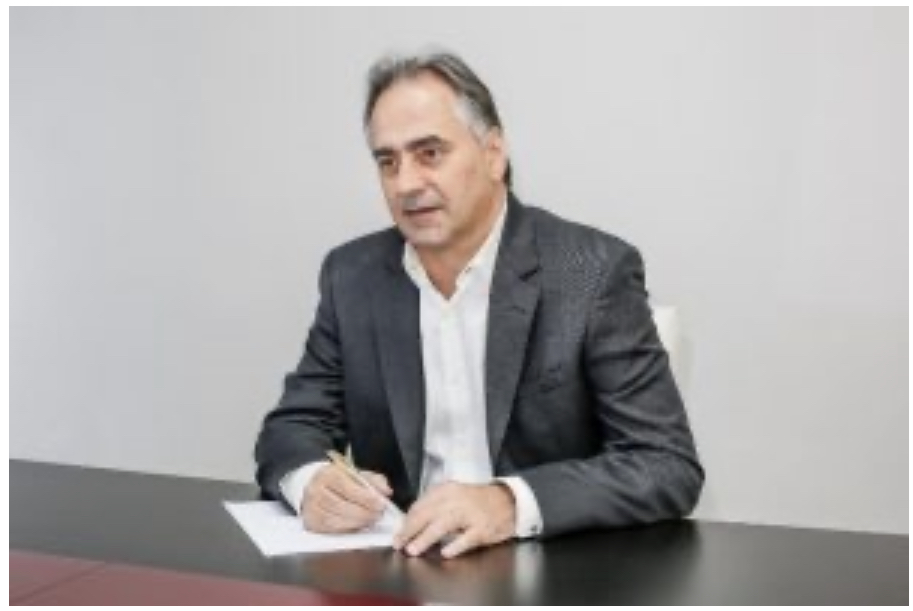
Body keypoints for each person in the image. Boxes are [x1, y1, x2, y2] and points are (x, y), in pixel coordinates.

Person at [255, 50, 703, 559]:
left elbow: (665, 464)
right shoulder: (353, 277)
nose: (405, 184)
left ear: (493, 154)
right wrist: (312, 481)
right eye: (388, 162)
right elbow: (292, 428)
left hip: (545, 570)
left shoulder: (591, 272)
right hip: (403, 566)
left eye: (429, 153)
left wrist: (509, 503)